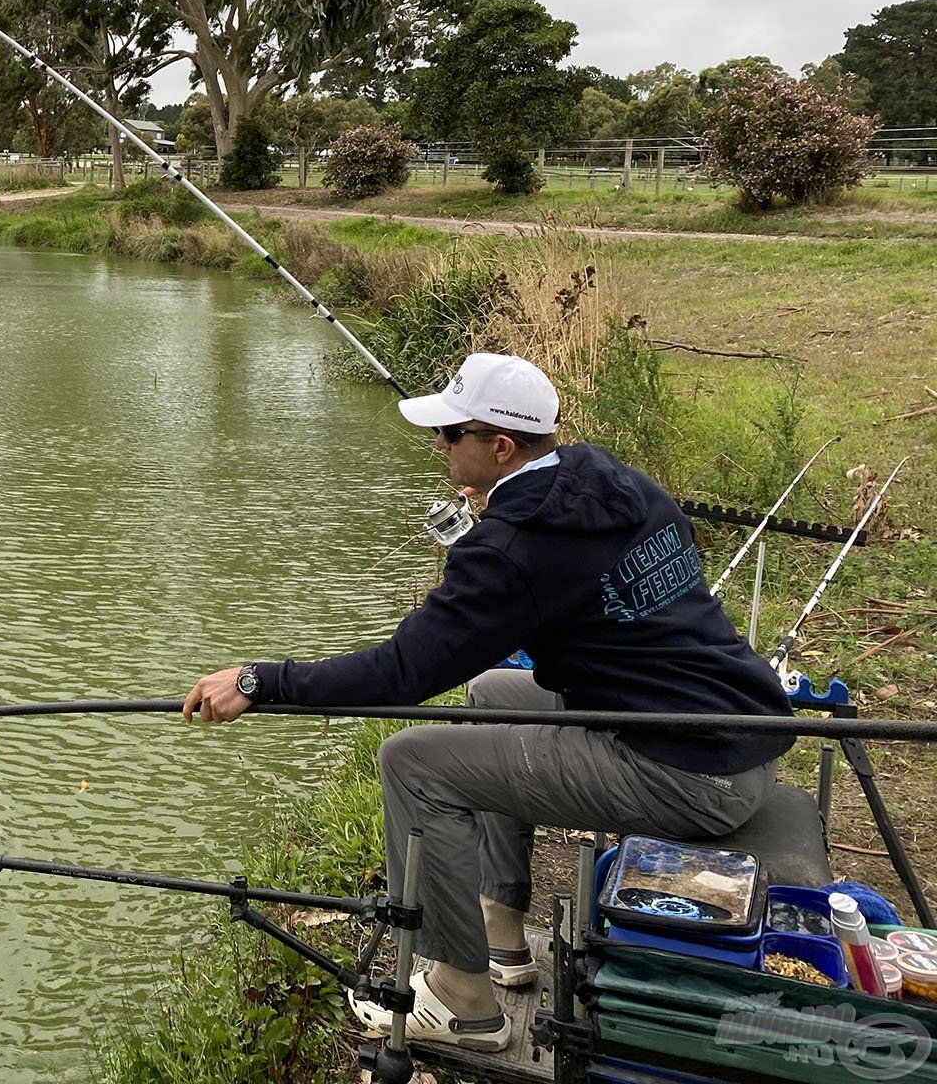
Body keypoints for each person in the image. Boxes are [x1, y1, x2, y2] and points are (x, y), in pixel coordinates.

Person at [181, 352, 795, 1050]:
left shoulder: (511, 548)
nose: (438, 444)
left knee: (412, 760)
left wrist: (261, 682)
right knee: (491, 690)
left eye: (451, 434)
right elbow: (597, 577)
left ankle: (464, 1003)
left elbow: (399, 675)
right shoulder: (607, 476)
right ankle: (502, 933)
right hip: (736, 726)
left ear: (500, 447)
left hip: (691, 772)